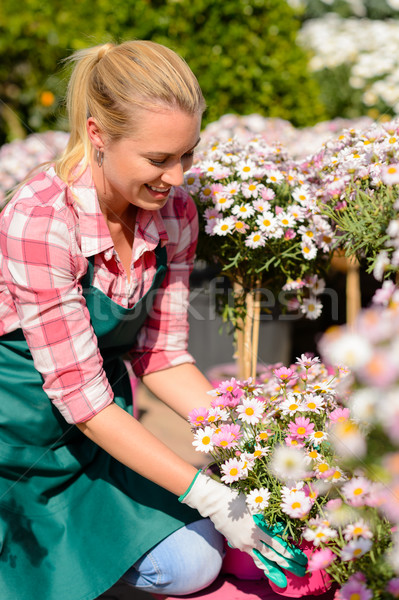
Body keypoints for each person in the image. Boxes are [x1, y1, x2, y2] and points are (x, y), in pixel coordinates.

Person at [0, 40, 307, 600]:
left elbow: (161, 355)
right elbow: (82, 400)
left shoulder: (174, 212)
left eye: (187, 154)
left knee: (203, 556)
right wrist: (214, 497)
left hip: (101, 440)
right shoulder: (42, 219)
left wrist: (260, 442)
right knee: (196, 552)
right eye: (158, 159)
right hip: (18, 450)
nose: (177, 176)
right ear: (97, 135)